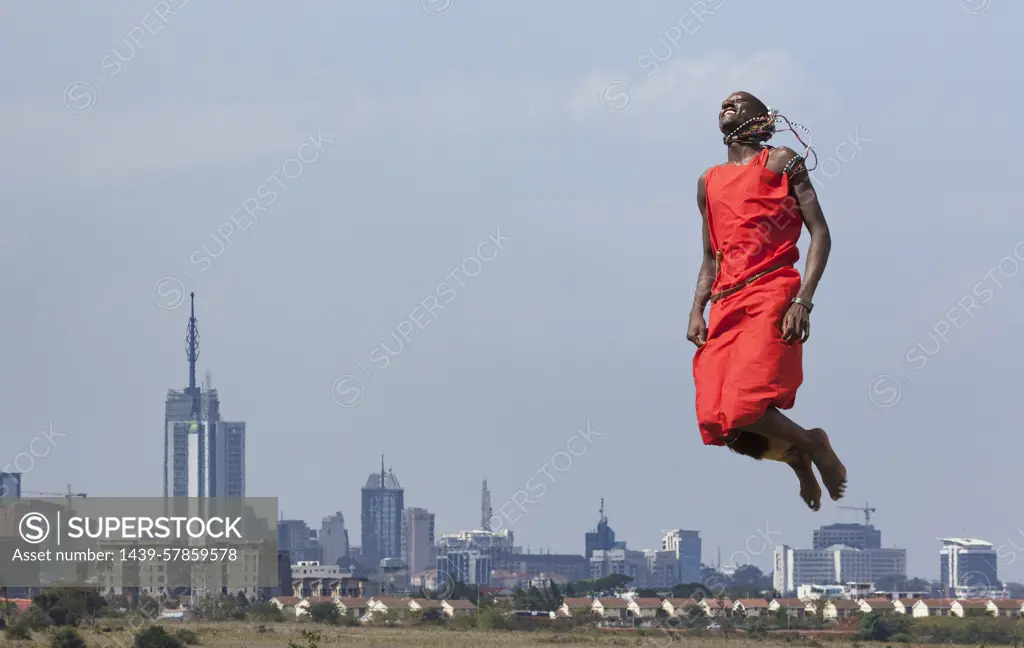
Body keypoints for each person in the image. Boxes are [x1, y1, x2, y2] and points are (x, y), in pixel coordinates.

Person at [687, 91, 846, 511]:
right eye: (723, 101)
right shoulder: (708, 181)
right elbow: (710, 256)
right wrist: (696, 309)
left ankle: (814, 442)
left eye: (740, 101)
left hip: (771, 292)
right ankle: (798, 459)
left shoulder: (780, 161)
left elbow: (821, 233)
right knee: (719, 422)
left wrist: (803, 301)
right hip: (724, 302)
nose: (727, 102)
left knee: (743, 404)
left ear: (762, 119)